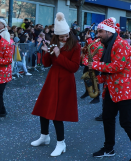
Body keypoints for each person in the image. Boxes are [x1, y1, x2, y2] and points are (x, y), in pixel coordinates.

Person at [88, 17, 131, 161]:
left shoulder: (121, 44)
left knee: (126, 122)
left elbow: (117, 67)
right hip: (111, 89)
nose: (98, 35)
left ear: (109, 31)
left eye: (101, 31)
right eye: (98, 32)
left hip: (126, 90)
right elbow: (109, 70)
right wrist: (96, 77)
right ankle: (109, 148)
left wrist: (95, 66)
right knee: (108, 118)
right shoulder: (108, 45)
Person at [31, 12, 81, 157]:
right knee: (43, 109)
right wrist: (47, 52)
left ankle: (61, 143)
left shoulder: (75, 46)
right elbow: (47, 64)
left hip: (65, 81)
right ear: (56, 36)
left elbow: (74, 67)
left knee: (57, 114)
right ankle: (44, 136)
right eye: (62, 36)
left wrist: (58, 55)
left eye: (66, 35)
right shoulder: (53, 43)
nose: (65, 38)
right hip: (52, 79)